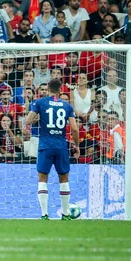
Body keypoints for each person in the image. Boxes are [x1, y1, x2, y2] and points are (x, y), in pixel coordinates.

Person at [25, 79, 79, 220]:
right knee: (64, 179)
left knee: (43, 178)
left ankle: (44, 214)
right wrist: (77, 145)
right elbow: (74, 128)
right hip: (61, 146)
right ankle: (66, 214)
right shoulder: (67, 106)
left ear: (48, 88)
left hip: (45, 145)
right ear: (61, 89)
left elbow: (28, 121)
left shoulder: (40, 102)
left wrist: (38, 117)